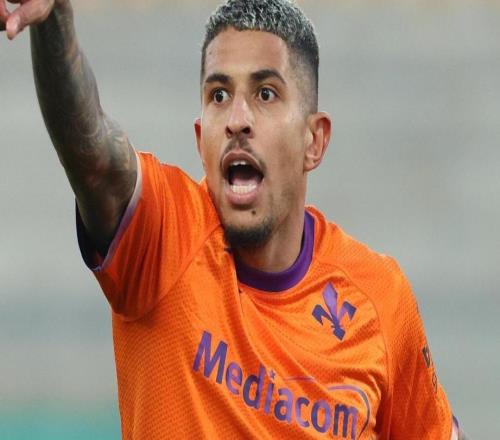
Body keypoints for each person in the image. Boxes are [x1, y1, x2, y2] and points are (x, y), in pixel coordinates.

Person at [1, 0, 468, 438]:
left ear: (314, 141)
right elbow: (95, 158)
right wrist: (55, 19)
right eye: (219, 94)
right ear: (200, 138)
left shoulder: (379, 296)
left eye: (265, 93)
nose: (237, 119)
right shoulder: (163, 238)